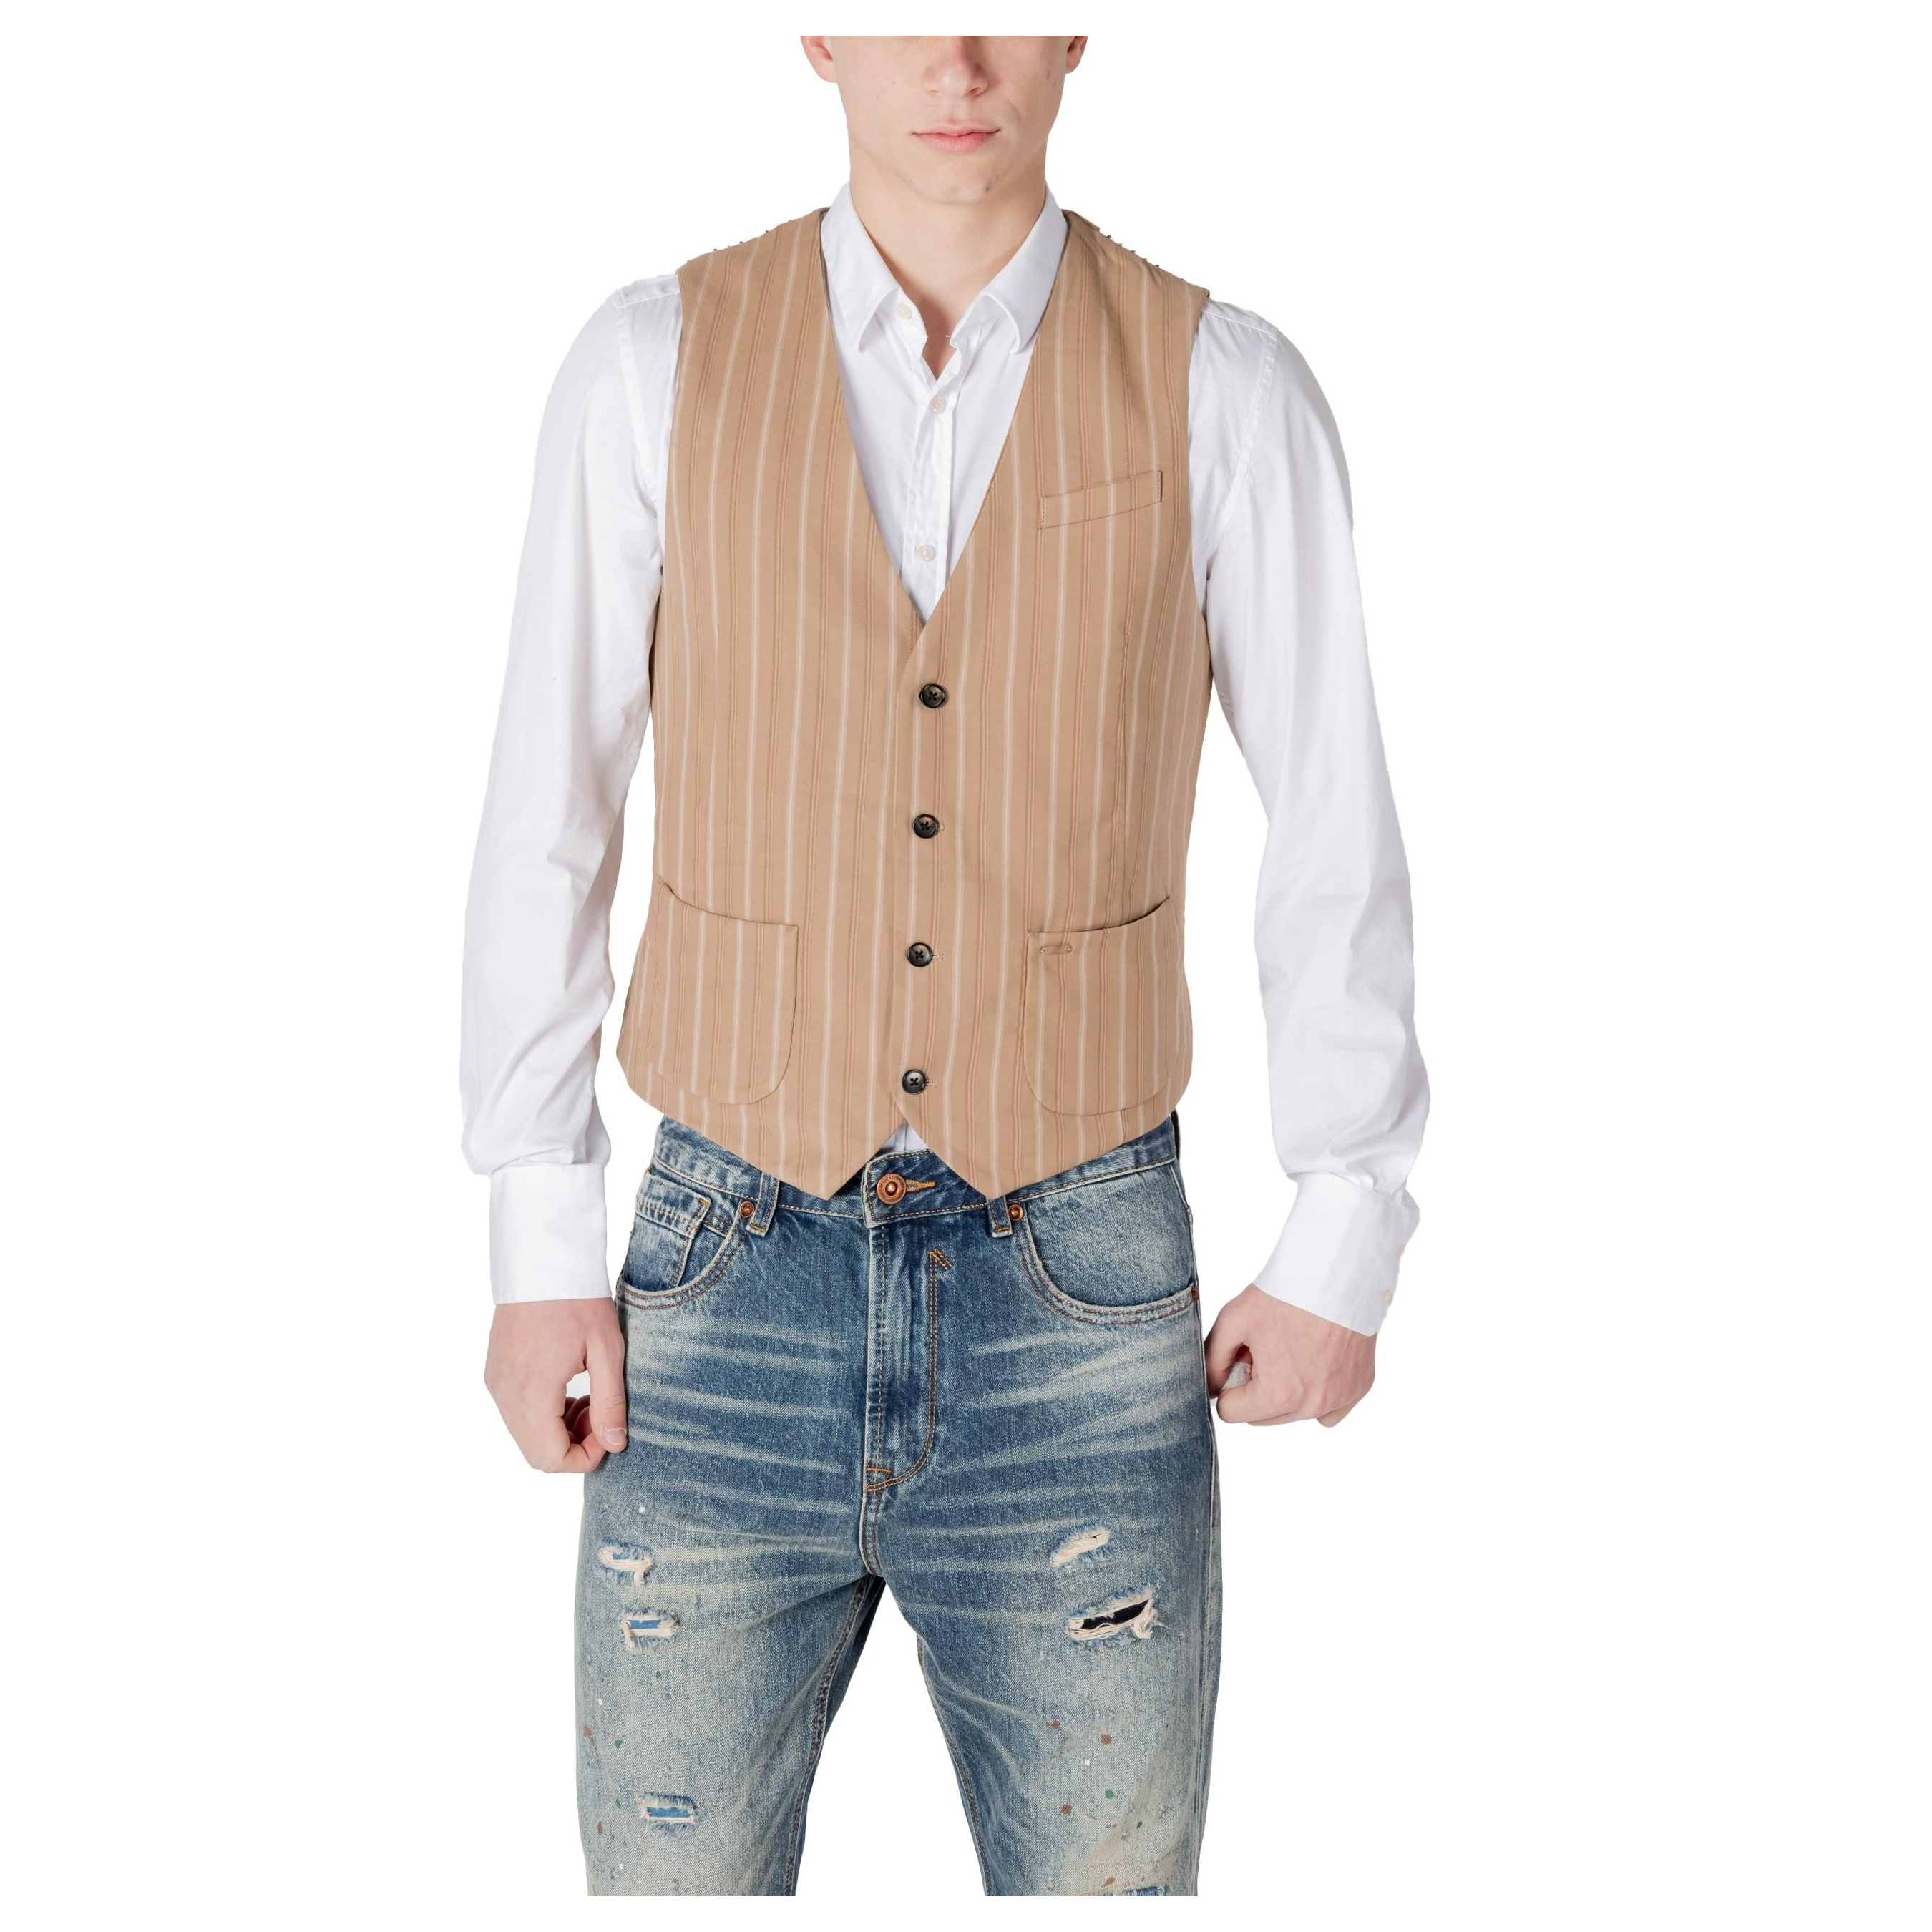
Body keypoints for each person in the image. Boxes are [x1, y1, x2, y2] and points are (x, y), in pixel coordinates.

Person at [460, 34, 1427, 1897]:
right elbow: (547, 805)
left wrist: (1346, 1218)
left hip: (1081, 1285)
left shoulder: (1223, 382)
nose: (958, 58)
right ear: (815, 31)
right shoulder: (652, 361)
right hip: (718, 1281)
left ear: (1078, 28)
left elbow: (1331, 814)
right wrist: (536, 1232)